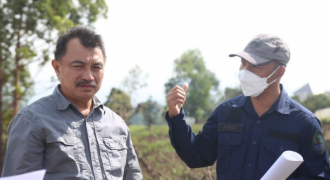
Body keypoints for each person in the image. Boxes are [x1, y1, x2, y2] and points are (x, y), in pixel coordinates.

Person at [165, 34, 330, 179]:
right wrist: (176, 116)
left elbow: (317, 176)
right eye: (243, 63)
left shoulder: (304, 123)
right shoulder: (225, 112)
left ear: (279, 72)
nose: (245, 71)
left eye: (256, 66)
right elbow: (196, 156)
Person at [2, 26, 143, 180]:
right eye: (78, 66)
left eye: (96, 67)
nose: (89, 76)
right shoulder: (32, 121)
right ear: (57, 68)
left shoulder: (117, 124)